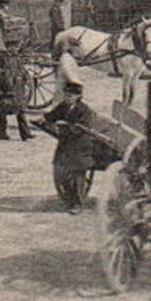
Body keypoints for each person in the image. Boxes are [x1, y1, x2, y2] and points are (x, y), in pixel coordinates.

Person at [43, 82, 115, 214]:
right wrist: (44, 119)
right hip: (65, 144)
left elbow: (81, 129)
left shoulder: (84, 110)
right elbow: (51, 116)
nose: (67, 98)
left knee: (77, 173)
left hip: (81, 146)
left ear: (78, 96)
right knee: (61, 169)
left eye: (70, 95)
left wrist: (65, 126)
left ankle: (78, 204)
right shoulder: (63, 106)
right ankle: (68, 199)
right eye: (66, 95)